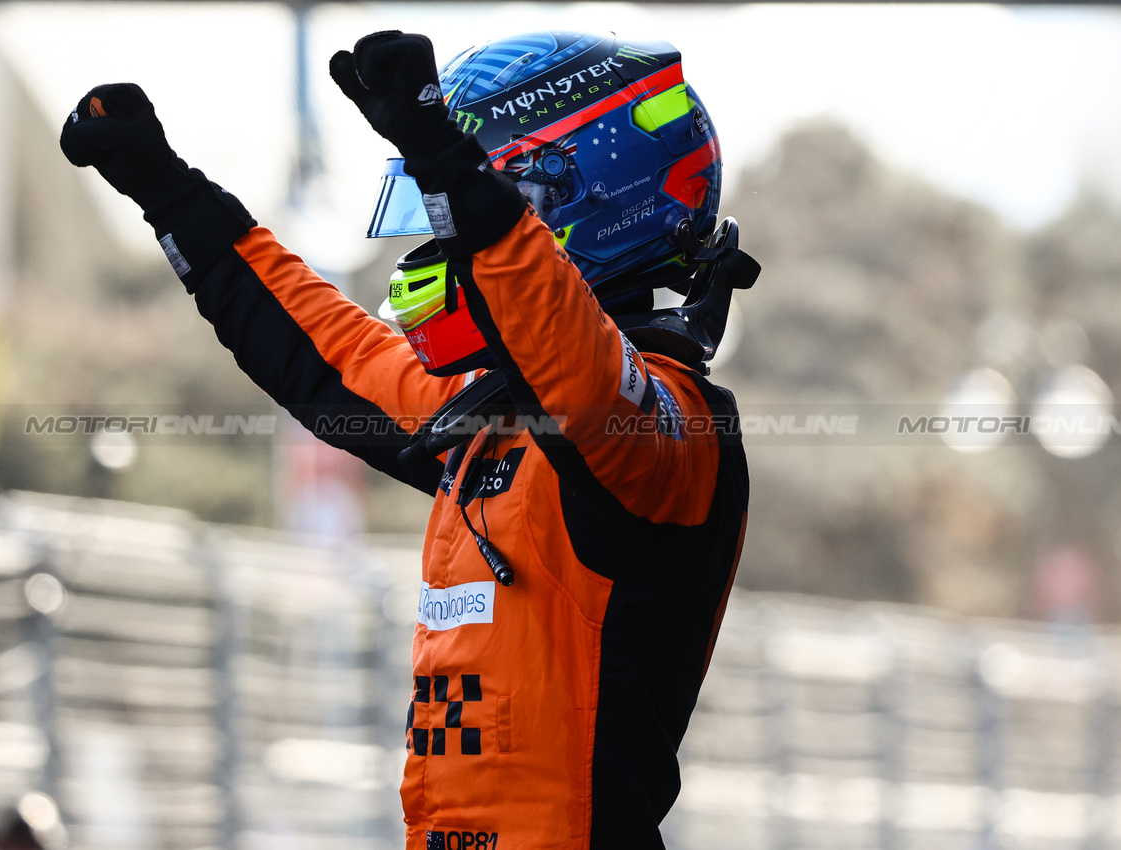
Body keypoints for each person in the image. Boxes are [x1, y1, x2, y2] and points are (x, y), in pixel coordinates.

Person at [60, 29, 755, 849]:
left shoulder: (677, 430)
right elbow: (329, 356)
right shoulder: (498, 421)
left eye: (483, 205)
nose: (438, 249)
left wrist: (447, 163)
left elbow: (582, 378)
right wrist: (170, 194)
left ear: (581, 207)